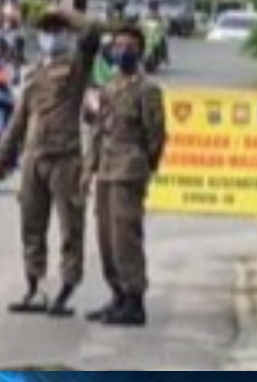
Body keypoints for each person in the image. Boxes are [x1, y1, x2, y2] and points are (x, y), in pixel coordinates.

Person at [0, 6, 103, 318]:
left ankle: (67, 286)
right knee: (31, 225)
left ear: (67, 35)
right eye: (46, 31)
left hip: (65, 158)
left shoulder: (76, 68)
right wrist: (1, 155)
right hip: (34, 157)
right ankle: (33, 286)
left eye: (57, 31)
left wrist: (66, 15)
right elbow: (19, 118)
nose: (50, 36)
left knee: (70, 227)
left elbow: (93, 32)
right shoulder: (34, 73)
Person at [83, 23, 167, 327]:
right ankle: (117, 294)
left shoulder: (147, 90)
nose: (122, 52)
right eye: (118, 46)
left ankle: (134, 300)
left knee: (125, 238)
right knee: (105, 238)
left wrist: (145, 166)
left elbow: (156, 135)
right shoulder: (109, 88)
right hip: (105, 169)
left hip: (129, 171)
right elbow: (97, 131)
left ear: (140, 51)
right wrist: (88, 169)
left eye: (129, 46)